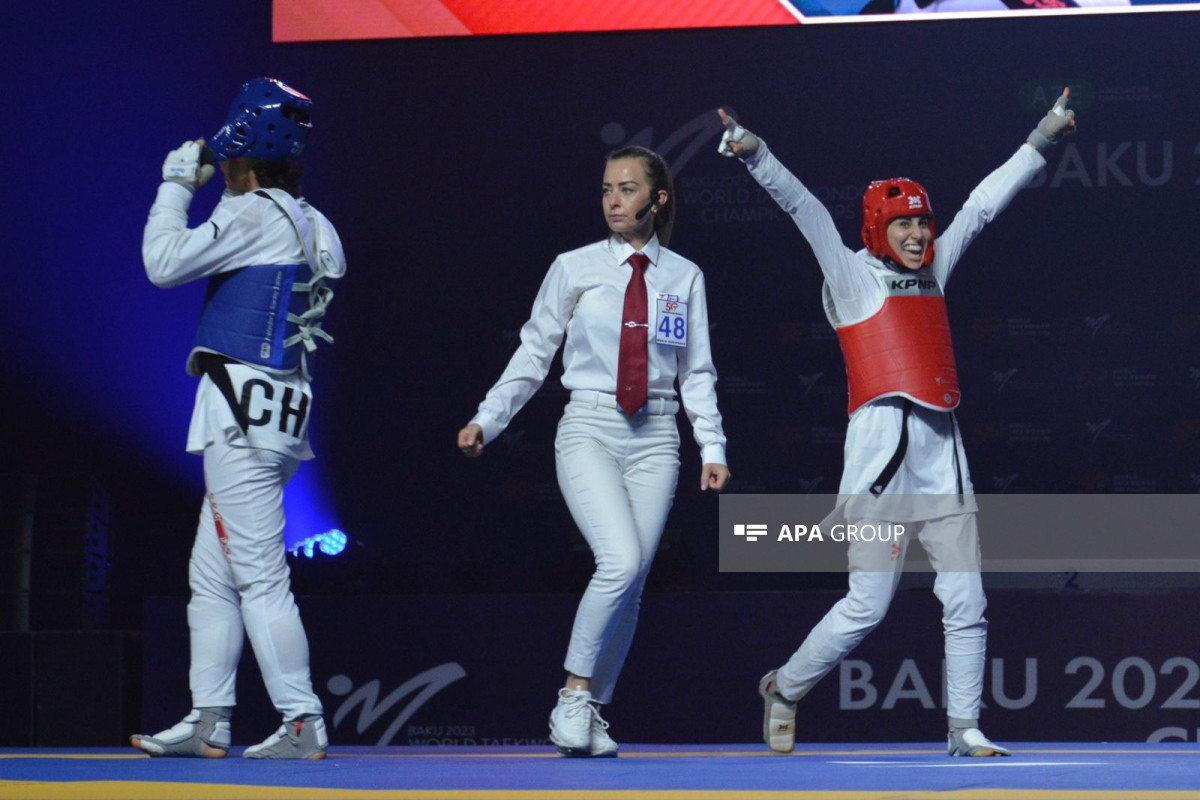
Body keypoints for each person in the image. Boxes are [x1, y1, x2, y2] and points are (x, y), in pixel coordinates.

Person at [717, 90, 1076, 756]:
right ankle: (787, 688)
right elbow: (806, 209)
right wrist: (756, 154)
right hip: (881, 467)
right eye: (904, 225)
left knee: (966, 600)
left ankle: (964, 727)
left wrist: (1042, 138)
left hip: (943, 461)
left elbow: (983, 206)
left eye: (923, 224)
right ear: (878, 230)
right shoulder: (852, 280)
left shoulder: (937, 267)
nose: (918, 235)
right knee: (867, 608)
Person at [457, 145, 730, 758]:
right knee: (620, 561)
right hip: (589, 427)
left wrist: (711, 444)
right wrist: (487, 419)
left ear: (657, 200)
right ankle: (573, 694)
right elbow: (534, 353)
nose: (613, 200)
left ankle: (594, 710)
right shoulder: (573, 267)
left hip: (657, 435)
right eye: (607, 188)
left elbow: (697, 372)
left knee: (633, 582)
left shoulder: (683, 276)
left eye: (628, 189)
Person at [130, 77, 345, 760]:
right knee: (214, 574)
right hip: (280, 414)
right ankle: (210, 718)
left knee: (257, 573)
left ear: (243, 150)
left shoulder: (252, 215)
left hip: (242, 415)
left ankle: (302, 717)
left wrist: (174, 183)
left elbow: (162, 264)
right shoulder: (320, 225)